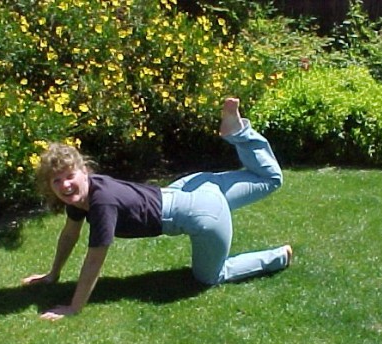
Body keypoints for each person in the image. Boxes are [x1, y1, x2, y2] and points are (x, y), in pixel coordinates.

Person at [22, 97, 292, 320]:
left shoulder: (102, 202)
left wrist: (74, 307)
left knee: (211, 276)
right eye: (56, 181)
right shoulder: (82, 196)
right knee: (269, 178)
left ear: (84, 171)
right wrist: (53, 274)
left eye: (69, 176)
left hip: (202, 212)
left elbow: (94, 260)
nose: (65, 185)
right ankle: (237, 133)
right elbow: (70, 234)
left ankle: (278, 257)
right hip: (190, 189)